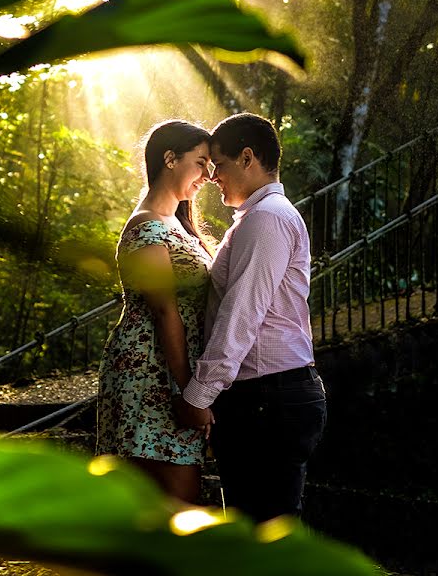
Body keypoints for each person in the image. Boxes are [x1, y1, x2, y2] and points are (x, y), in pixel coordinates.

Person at [174, 112, 327, 523]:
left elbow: (242, 313)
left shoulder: (268, 219)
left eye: (218, 164)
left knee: (265, 533)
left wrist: (199, 394)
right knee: (256, 529)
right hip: (265, 396)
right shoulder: (257, 218)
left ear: (247, 158)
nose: (212, 176)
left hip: (268, 398)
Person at [96, 119, 215, 504]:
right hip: (151, 375)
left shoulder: (176, 225)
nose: (207, 175)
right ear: (169, 158)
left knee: (173, 503)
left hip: (168, 369)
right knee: (171, 500)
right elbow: (166, 314)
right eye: (200, 162)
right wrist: (187, 393)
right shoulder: (146, 228)